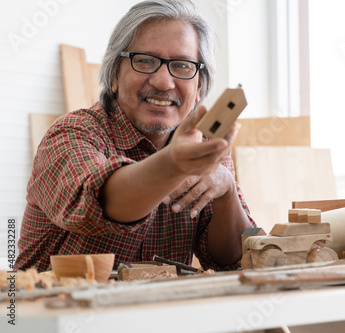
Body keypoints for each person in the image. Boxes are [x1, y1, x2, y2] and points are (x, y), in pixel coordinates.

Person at [15, 0, 255, 272]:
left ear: (199, 86)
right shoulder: (71, 134)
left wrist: (226, 190)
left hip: (156, 311)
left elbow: (233, 259)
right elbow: (104, 202)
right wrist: (174, 164)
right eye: (145, 61)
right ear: (115, 76)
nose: (163, 82)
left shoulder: (206, 144)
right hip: (53, 309)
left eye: (182, 66)